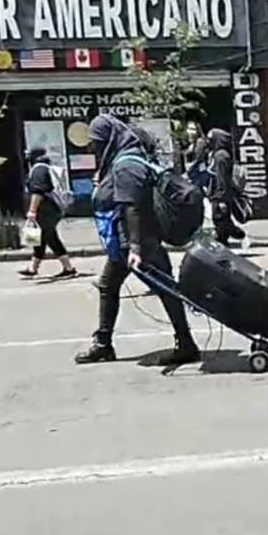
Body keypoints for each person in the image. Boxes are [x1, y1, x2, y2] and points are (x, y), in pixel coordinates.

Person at [75, 114, 201, 366]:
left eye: (97, 144)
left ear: (110, 140)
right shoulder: (125, 160)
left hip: (137, 243)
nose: (95, 149)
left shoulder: (126, 166)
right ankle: (103, 343)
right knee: (111, 286)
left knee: (164, 289)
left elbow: (132, 208)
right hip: (131, 243)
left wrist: (134, 248)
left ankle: (185, 344)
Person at [18, 147, 77, 279]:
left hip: (46, 210)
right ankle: (33, 268)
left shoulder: (39, 170)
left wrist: (32, 211)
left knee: (50, 237)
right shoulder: (46, 168)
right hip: (50, 209)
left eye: (28, 155)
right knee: (40, 238)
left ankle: (69, 268)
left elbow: (38, 192)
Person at [204, 128, 250, 248]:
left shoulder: (221, 156)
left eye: (211, 139)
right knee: (221, 220)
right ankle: (223, 242)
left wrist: (220, 198)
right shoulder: (220, 154)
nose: (208, 142)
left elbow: (222, 178)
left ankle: (238, 234)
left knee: (220, 219)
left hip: (221, 195)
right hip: (221, 194)